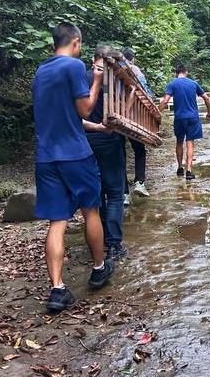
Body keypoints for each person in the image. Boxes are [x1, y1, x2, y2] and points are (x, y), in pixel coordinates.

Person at [32, 22, 114, 312]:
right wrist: (97, 80)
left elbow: (65, 116)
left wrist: (97, 128)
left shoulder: (41, 71)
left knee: (57, 221)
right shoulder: (74, 66)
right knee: (91, 210)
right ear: (76, 42)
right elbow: (85, 108)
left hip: (46, 157)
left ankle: (57, 289)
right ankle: (99, 268)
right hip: (75, 155)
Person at [83, 45, 128, 261]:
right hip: (109, 140)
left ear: (93, 59)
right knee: (116, 194)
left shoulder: (80, 78)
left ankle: (98, 239)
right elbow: (124, 112)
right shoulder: (116, 79)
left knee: (97, 193)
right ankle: (114, 243)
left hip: (85, 142)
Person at [158, 65, 210, 180]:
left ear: (176, 73)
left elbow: (165, 101)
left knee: (179, 141)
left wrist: (157, 112)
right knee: (190, 142)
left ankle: (179, 167)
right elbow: (206, 98)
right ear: (186, 72)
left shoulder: (172, 84)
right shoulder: (193, 83)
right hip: (192, 118)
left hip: (179, 118)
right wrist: (209, 112)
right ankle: (189, 170)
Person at [121, 48, 150, 199]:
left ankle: (124, 193)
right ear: (132, 59)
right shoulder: (136, 71)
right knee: (139, 150)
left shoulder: (112, 70)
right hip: (134, 116)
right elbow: (146, 93)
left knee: (120, 153)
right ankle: (140, 182)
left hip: (115, 115)